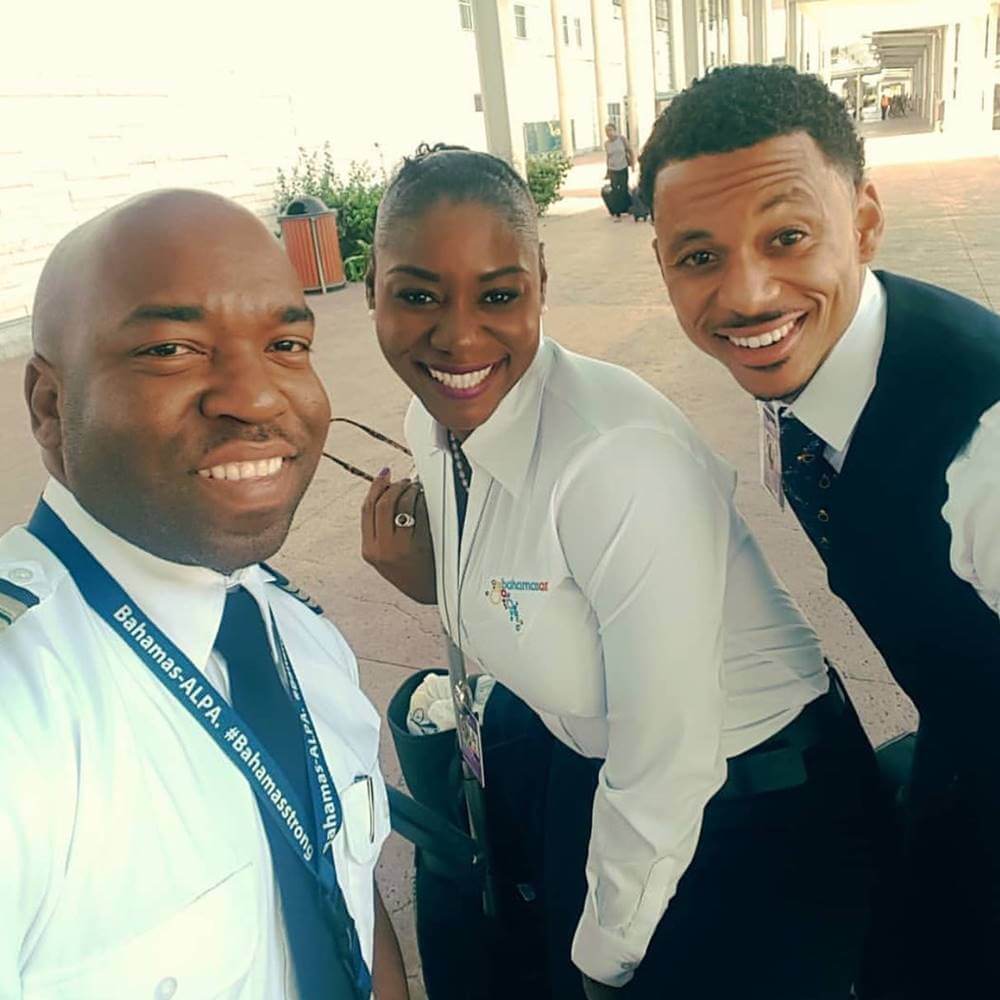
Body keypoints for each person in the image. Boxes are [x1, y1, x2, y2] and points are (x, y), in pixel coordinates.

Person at [360, 144, 889, 999]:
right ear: (372, 290)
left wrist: (606, 960)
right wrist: (437, 584)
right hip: (603, 776)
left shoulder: (615, 457)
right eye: (417, 294)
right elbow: (533, 597)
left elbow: (667, 758)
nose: (458, 336)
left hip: (750, 808)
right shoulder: (437, 421)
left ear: (540, 280)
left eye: (498, 294)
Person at [638, 64, 1000, 999]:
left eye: (787, 237)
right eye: (701, 256)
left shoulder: (983, 447)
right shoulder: (821, 370)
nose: (748, 296)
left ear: (866, 223)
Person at [0, 190, 409, 1000]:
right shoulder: (26, 718)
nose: (257, 397)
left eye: (287, 342)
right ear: (50, 406)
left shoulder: (290, 631)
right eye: (171, 350)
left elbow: (341, 892)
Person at [603, 122, 634, 219]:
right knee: (615, 189)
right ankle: (617, 212)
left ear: (615, 130)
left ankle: (627, 208)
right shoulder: (607, 144)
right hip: (613, 168)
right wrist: (607, 170)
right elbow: (608, 156)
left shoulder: (622, 139)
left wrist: (632, 164)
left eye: (610, 130)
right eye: (606, 131)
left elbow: (630, 150)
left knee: (623, 188)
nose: (608, 133)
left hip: (623, 166)